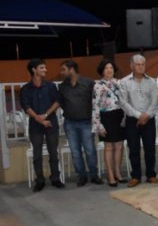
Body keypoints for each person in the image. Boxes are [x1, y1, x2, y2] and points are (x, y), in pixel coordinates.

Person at [19, 58, 62, 192]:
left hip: (51, 123)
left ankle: (55, 178)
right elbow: (26, 107)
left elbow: (57, 101)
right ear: (34, 70)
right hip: (35, 125)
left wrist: (46, 115)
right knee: (37, 154)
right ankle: (40, 180)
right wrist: (40, 119)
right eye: (42, 68)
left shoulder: (50, 86)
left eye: (45, 67)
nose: (45, 70)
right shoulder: (25, 89)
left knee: (53, 152)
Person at [59, 59, 103, 187]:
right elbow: (61, 103)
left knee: (90, 150)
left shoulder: (88, 82)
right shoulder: (62, 86)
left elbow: (97, 100)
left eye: (63, 69)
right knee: (75, 152)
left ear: (71, 69)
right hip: (70, 123)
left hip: (86, 123)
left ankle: (94, 175)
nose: (61, 72)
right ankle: (81, 176)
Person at [119, 54, 158, 188]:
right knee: (134, 149)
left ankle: (151, 175)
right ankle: (135, 176)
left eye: (143, 64)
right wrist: (138, 115)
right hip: (132, 121)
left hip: (149, 119)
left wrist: (146, 115)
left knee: (150, 148)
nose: (141, 67)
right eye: (138, 64)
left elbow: (155, 101)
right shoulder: (124, 82)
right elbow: (123, 103)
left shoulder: (152, 82)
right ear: (131, 66)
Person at [92, 59, 127, 187]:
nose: (109, 70)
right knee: (108, 147)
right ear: (102, 70)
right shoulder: (97, 85)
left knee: (119, 146)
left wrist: (126, 117)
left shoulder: (120, 83)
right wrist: (98, 125)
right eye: (106, 68)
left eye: (111, 67)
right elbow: (95, 106)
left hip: (120, 116)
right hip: (106, 117)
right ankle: (110, 175)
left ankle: (118, 173)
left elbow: (125, 101)